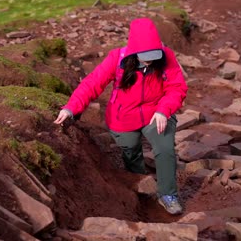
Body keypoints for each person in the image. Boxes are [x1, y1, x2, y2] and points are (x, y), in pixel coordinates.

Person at [54, 17, 188, 215]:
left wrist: (163, 110)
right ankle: (141, 186)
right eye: (145, 55)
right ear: (134, 51)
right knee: (131, 153)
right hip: (123, 117)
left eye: (154, 53)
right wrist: (71, 108)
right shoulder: (117, 58)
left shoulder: (166, 56)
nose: (151, 59)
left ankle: (168, 194)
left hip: (155, 112)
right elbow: (92, 84)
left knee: (165, 149)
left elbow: (177, 87)